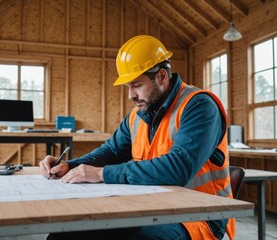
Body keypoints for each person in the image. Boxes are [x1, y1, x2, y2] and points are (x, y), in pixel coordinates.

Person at [39, 35, 234, 240]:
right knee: (66, 234)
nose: (130, 95)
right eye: (128, 87)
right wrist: (70, 166)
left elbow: (179, 168)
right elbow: (111, 151)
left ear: (161, 77)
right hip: (151, 205)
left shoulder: (199, 106)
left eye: (136, 85)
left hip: (199, 215)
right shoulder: (137, 115)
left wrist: (101, 174)